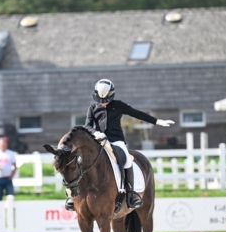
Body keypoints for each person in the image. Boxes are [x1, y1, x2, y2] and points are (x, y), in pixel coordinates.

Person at [65, 79, 174, 211]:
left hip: (116, 141)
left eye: (106, 100)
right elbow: (87, 126)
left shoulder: (119, 105)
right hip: (98, 142)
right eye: (100, 100)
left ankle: (130, 193)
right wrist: (95, 133)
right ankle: (73, 196)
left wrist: (157, 121)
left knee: (127, 161)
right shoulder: (93, 108)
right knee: (79, 161)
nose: (103, 103)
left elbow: (137, 114)